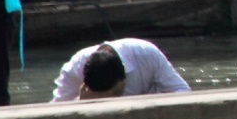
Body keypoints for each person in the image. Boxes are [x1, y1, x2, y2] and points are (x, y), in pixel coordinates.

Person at [53, 39, 190, 101]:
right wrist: (81, 102)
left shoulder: (146, 54)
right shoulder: (74, 69)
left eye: (114, 94)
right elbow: (55, 111)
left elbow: (183, 92)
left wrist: (150, 103)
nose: (110, 100)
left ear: (123, 79)